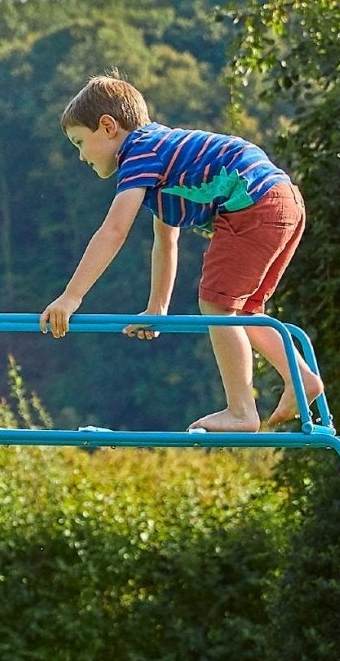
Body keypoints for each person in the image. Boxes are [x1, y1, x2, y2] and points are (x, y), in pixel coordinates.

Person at [38, 74, 318, 432]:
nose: (80, 156)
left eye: (79, 142)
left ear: (108, 127)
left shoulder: (138, 153)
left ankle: (241, 411)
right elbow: (165, 240)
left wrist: (70, 297)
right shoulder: (164, 156)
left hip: (255, 204)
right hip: (283, 201)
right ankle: (301, 378)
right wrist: (157, 309)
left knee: (218, 307)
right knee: (245, 310)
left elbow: (113, 231)